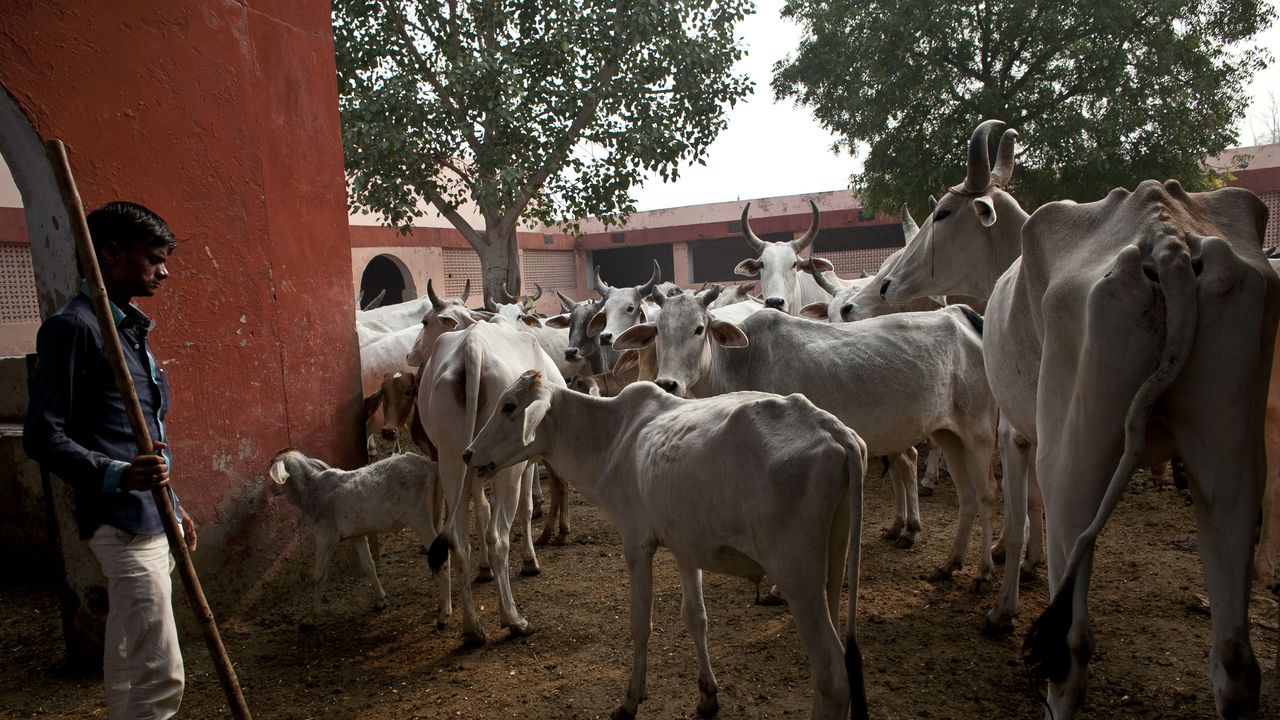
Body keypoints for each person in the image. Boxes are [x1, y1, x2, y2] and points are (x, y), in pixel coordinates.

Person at [24, 200, 196, 720]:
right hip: (120, 521)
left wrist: (174, 502)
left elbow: (146, 437)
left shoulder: (129, 332)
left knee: (128, 655)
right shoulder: (75, 329)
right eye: (153, 258)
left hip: (152, 514)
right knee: (160, 671)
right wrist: (118, 474)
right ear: (111, 253)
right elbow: (41, 435)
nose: (163, 270)